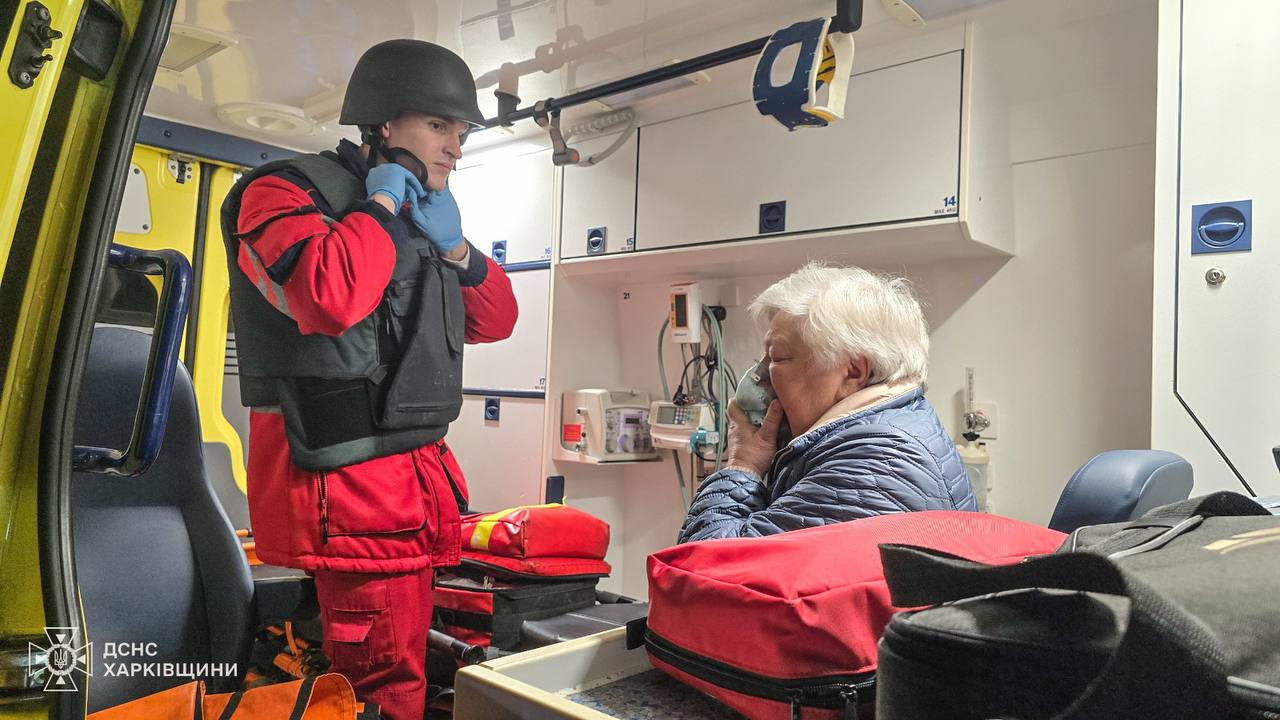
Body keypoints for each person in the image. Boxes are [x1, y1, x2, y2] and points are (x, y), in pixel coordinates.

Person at [219, 39, 517, 719]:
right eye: (440, 126)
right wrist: (377, 210)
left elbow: (497, 317)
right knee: (380, 690)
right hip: (346, 491)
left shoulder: (423, 214)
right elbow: (328, 296)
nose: (456, 147)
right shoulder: (283, 190)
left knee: (397, 674)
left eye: (461, 132)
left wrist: (457, 248)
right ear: (384, 123)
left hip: (409, 488)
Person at [678, 263, 974, 542]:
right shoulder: (887, 431)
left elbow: (702, 576)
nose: (759, 375)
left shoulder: (872, 465)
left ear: (854, 373)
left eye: (778, 357)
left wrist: (742, 464)